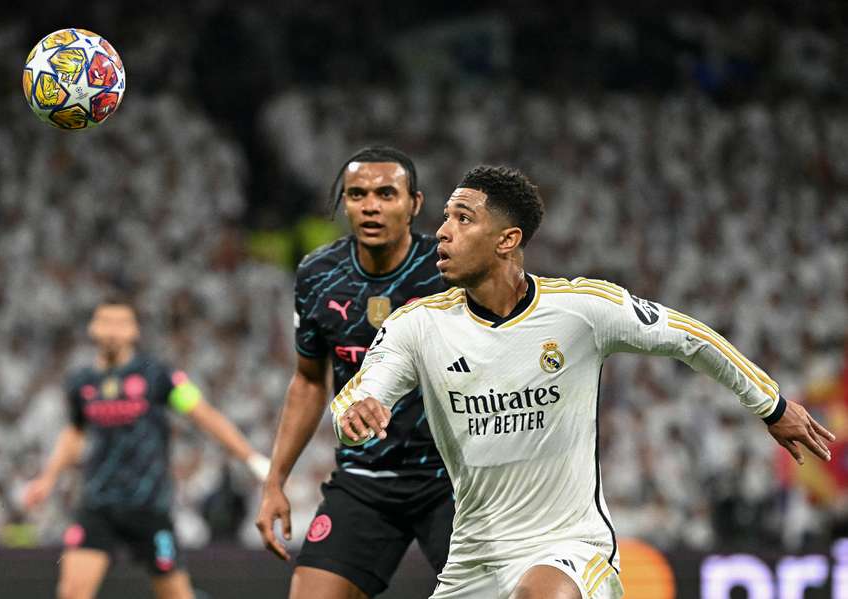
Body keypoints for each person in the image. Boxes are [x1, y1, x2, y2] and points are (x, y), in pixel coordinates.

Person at [331, 165, 836, 599]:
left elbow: (687, 336)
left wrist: (771, 405)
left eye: (462, 219)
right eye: (444, 217)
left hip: (569, 547)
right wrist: (354, 414)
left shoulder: (580, 309)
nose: (441, 231)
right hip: (474, 557)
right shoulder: (417, 325)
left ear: (508, 240)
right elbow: (361, 393)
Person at [255, 146, 454, 599]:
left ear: (415, 204)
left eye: (386, 193)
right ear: (344, 203)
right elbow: (308, 382)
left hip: (453, 480)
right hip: (364, 479)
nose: (371, 205)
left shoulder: (448, 272)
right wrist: (275, 482)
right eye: (357, 194)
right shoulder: (317, 274)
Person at [23, 297, 270, 599]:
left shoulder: (157, 376)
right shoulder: (81, 382)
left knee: (175, 595)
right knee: (73, 592)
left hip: (149, 506)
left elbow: (202, 413)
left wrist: (251, 457)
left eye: (121, 323)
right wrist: (48, 479)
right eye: (106, 323)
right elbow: (75, 432)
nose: (112, 331)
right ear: (93, 329)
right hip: (98, 505)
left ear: (134, 331)